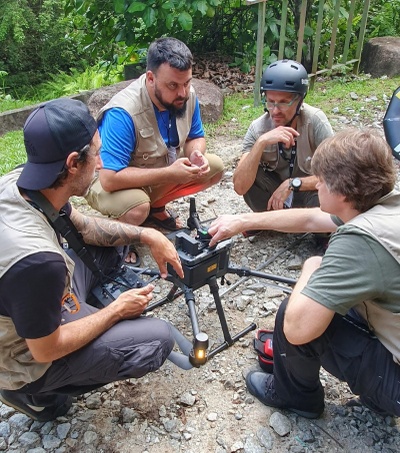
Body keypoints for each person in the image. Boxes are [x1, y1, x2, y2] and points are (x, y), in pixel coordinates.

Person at [0, 98, 184, 422]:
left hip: (31, 297)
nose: (100, 164)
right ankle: (33, 394)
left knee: (112, 243)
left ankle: (78, 314)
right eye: (96, 154)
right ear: (73, 162)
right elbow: (45, 349)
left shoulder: (24, 184)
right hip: (25, 353)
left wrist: (148, 235)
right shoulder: (38, 261)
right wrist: (116, 311)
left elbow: (84, 228)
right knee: (157, 340)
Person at [209, 128, 400, 418]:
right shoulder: (382, 204)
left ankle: (295, 397)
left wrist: (313, 265)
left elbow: (299, 329)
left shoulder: (361, 240)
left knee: (294, 311)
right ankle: (378, 393)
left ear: (342, 192)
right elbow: (312, 218)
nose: (316, 186)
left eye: (321, 181)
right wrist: (242, 220)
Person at [85, 37, 224, 263]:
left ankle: (156, 211)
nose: (183, 92)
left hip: (152, 169)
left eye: (187, 83)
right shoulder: (123, 113)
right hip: (105, 179)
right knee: (137, 207)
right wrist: (170, 174)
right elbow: (109, 178)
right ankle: (115, 240)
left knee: (214, 167)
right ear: (151, 78)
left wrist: (195, 153)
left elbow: (195, 136)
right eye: (173, 85)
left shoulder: (186, 95)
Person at [233, 59, 333, 214]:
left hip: (309, 194)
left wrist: (293, 184)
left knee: (329, 193)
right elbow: (240, 186)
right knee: (249, 167)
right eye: (270, 102)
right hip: (275, 195)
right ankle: (271, 221)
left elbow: (337, 176)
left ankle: (317, 230)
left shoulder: (315, 121)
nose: (275, 110)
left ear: (300, 100)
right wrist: (261, 143)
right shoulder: (258, 128)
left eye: (283, 103)